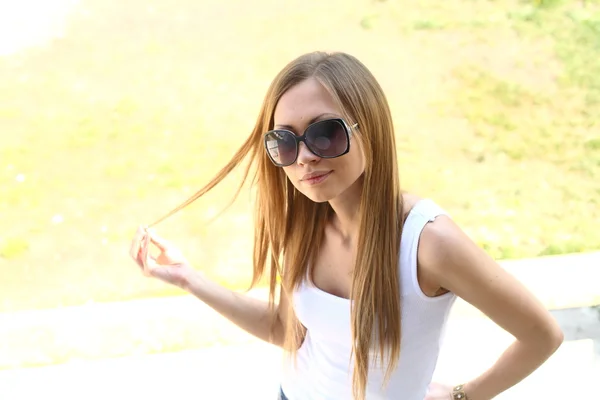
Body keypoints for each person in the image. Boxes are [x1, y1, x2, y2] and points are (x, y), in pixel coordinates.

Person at [128, 51, 564, 400]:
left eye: (325, 133)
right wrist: (189, 279)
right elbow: (288, 332)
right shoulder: (303, 225)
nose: (304, 157)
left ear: (368, 129)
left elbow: (541, 335)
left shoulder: (427, 244)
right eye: (284, 141)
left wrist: (463, 396)